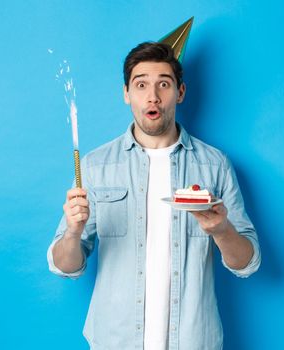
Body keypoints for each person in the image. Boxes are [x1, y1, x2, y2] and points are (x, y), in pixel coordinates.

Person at [47, 42, 261, 350]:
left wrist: (222, 230)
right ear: (126, 93)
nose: (153, 96)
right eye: (141, 84)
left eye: (164, 84)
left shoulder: (215, 165)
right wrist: (73, 232)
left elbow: (248, 263)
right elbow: (65, 266)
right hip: (114, 342)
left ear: (181, 92)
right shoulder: (95, 166)